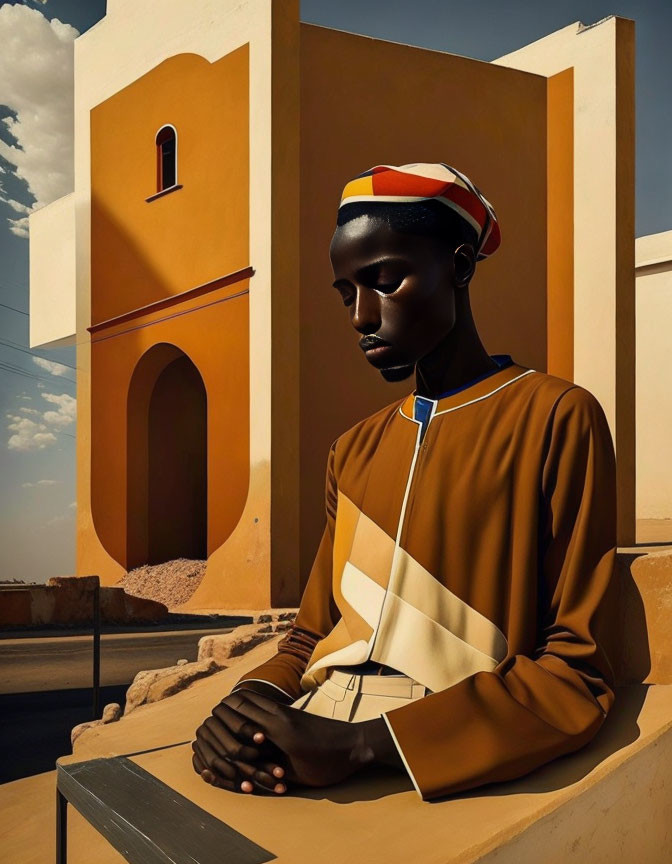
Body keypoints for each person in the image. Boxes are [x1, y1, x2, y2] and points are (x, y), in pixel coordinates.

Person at [191, 162, 618, 802]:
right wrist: (244, 707)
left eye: (385, 280)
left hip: (436, 741)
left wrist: (364, 746)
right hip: (312, 724)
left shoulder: (556, 415)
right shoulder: (352, 450)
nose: (362, 315)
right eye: (345, 293)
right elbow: (310, 635)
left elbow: (576, 667)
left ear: (462, 265)